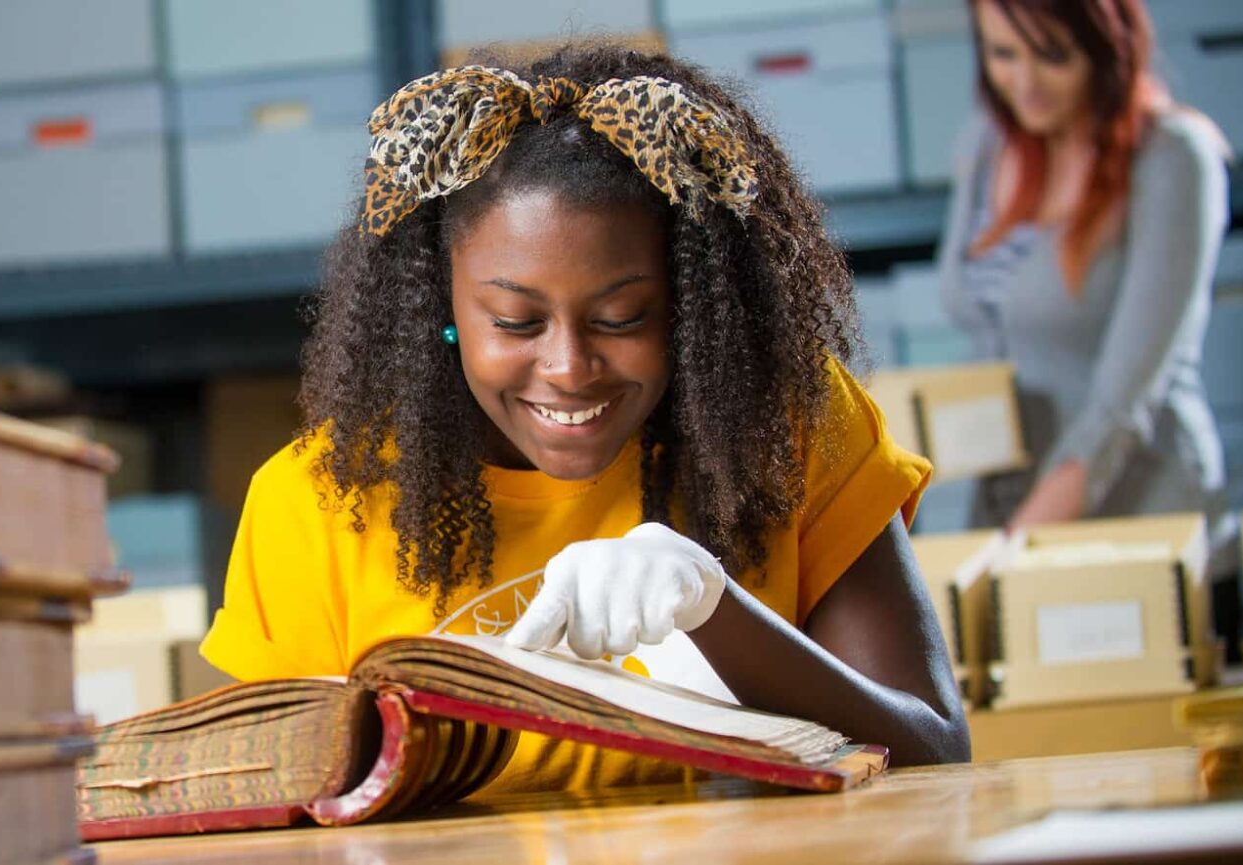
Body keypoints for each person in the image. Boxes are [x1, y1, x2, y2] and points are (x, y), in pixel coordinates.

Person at [196, 44, 969, 795]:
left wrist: (714, 609)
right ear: (446, 307)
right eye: (516, 321)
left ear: (688, 307)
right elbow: (268, 814)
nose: (568, 367)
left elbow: (934, 749)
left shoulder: (785, 427)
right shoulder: (315, 503)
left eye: (623, 316)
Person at [936, 0, 1232, 564]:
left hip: (1137, 524)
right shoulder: (986, 147)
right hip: (1011, 517)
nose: (1025, 83)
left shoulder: (1172, 157)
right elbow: (990, 346)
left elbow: (1123, 405)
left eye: (1053, 56)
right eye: (1003, 54)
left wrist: (1011, 554)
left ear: (1107, 51)